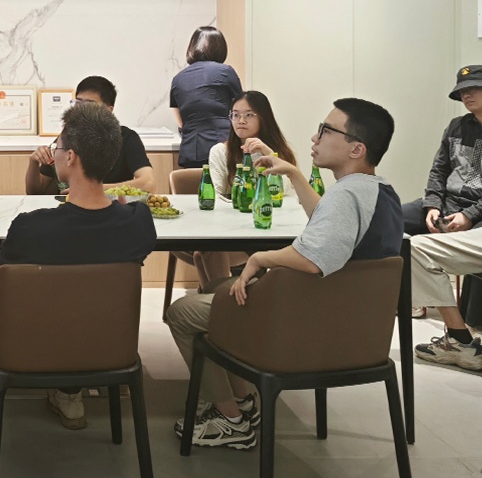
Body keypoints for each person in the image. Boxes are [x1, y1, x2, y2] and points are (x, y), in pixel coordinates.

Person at [167, 97, 403, 449]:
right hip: (351, 325)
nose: (315, 137)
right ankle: (243, 401)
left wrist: (261, 258)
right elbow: (326, 219)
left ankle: (230, 418)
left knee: (182, 313)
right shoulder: (376, 190)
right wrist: (292, 172)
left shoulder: (346, 195)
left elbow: (312, 259)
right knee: (218, 288)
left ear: (357, 149)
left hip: (303, 324)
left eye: (326, 130)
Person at [0, 102, 158, 437]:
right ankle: (68, 394)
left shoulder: (31, 227)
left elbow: (2, 281)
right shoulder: (138, 223)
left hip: (27, 347)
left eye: (57, 148)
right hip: (105, 347)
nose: (54, 154)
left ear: (70, 157)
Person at [405, 65, 482, 373]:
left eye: (475, 88)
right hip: (447, 203)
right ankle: (411, 294)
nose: (467, 94)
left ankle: (467, 331)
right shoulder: (457, 126)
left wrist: (469, 215)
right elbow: (439, 170)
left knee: (478, 251)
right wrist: (432, 205)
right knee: (386, 220)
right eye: (463, 90)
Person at [182, 89, 300, 291]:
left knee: (204, 253)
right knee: (205, 251)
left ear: (264, 118)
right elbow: (216, 196)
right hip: (233, 230)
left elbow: (286, 192)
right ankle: (219, 301)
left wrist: (268, 154)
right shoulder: (221, 151)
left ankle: (216, 301)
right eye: (235, 115)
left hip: (272, 228)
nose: (241, 121)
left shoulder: (278, 152)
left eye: (249, 115)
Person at [25, 75, 156, 195]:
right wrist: (34, 162)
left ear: (108, 110)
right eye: (78, 103)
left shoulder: (126, 138)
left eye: (89, 105)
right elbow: (35, 192)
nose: (81, 110)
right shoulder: (67, 136)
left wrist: (92, 190)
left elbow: (148, 183)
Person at [169, 27, 243, 169]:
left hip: (191, 150)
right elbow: (241, 108)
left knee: (196, 183)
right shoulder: (225, 72)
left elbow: (180, 121)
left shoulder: (178, 78)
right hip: (223, 146)